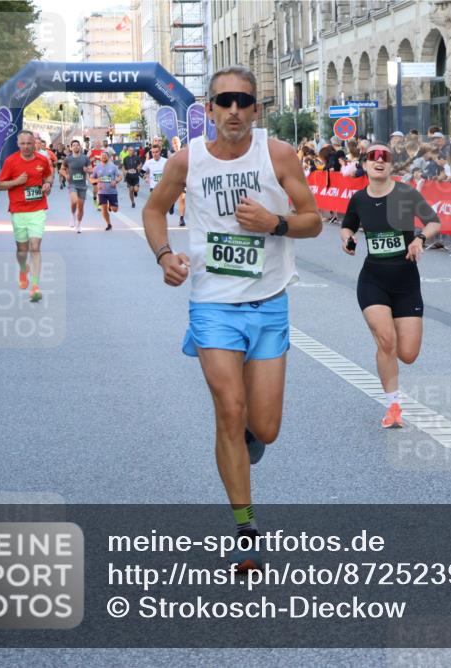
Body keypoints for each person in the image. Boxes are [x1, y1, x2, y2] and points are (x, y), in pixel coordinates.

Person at [142, 65, 322, 572]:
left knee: (264, 427)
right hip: (213, 302)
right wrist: (163, 255)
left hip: (268, 301)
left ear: (256, 109)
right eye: (225, 102)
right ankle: (246, 528)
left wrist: (275, 222)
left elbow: (313, 221)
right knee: (229, 408)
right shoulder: (188, 160)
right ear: (209, 109)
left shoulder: (278, 154)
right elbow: (154, 211)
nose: (235, 111)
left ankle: (246, 441)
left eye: (244, 101)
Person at [340, 145, 442, 428]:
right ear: (366, 164)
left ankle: (388, 356)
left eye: (385, 157)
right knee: (386, 341)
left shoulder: (405, 193)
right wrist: (348, 239)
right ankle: (393, 406)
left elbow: (434, 222)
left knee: (407, 353)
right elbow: (347, 225)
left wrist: (420, 238)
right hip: (373, 279)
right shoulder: (358, 198)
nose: (379, 161)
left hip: (406, 280)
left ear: (391, 165)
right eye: (373, 157)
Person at [0, 131, 55, 302]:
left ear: (34, 143)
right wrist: (16, 182)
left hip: (37, 209)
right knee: (22, 250)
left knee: (35, 246)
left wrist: (48, 184)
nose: (27, 147)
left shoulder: (42, 160)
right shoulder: (11, 161)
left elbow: (49, 175)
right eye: (23, 144)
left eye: (29, 143)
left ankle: (35, 286)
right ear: (18, 144)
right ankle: (23, 269)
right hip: (18, 210)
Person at [60, 139, 92, 233]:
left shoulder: (85, 158)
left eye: (77, 145)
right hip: (72, 184)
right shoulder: (68, 159)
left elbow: (91, 170)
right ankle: (72, 215)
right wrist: (66, 175)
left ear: (80, 147)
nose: (76, 146)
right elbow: (61, 170)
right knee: (74, 201)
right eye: (73, 145)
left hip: (82, 185)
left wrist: (87, 170)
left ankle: (78, 224)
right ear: (71, 147)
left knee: (81, 207)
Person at [91, 151, 121, 231]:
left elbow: (120, 176)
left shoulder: (113, 167)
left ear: (108, 157)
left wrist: (116, 181)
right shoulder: (97, 168)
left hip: (112, 191)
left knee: (115, 209)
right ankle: (109, 224)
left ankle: (110, 206)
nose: (103, 157)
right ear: (100, 157)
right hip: (101, 192)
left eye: (105, 156)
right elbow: (91, 179)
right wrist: (97, 179)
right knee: (103, 209)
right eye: (102, 156)